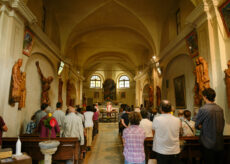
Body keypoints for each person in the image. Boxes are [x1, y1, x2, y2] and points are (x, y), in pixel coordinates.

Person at [195, 88, 225, 164]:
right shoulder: (220, 109)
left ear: (205, 96)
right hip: (219, 142)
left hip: (208, 142)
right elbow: (222, 123)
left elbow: (197, 124)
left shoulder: (203, 109)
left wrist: (200, 126)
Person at [152, 100, 181, 164]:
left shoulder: (157, 119)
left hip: (161, 150)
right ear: (171, 109)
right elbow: (179, 132)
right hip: (174, 150)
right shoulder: (177, 120)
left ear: (161, 109)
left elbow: (153, 132)